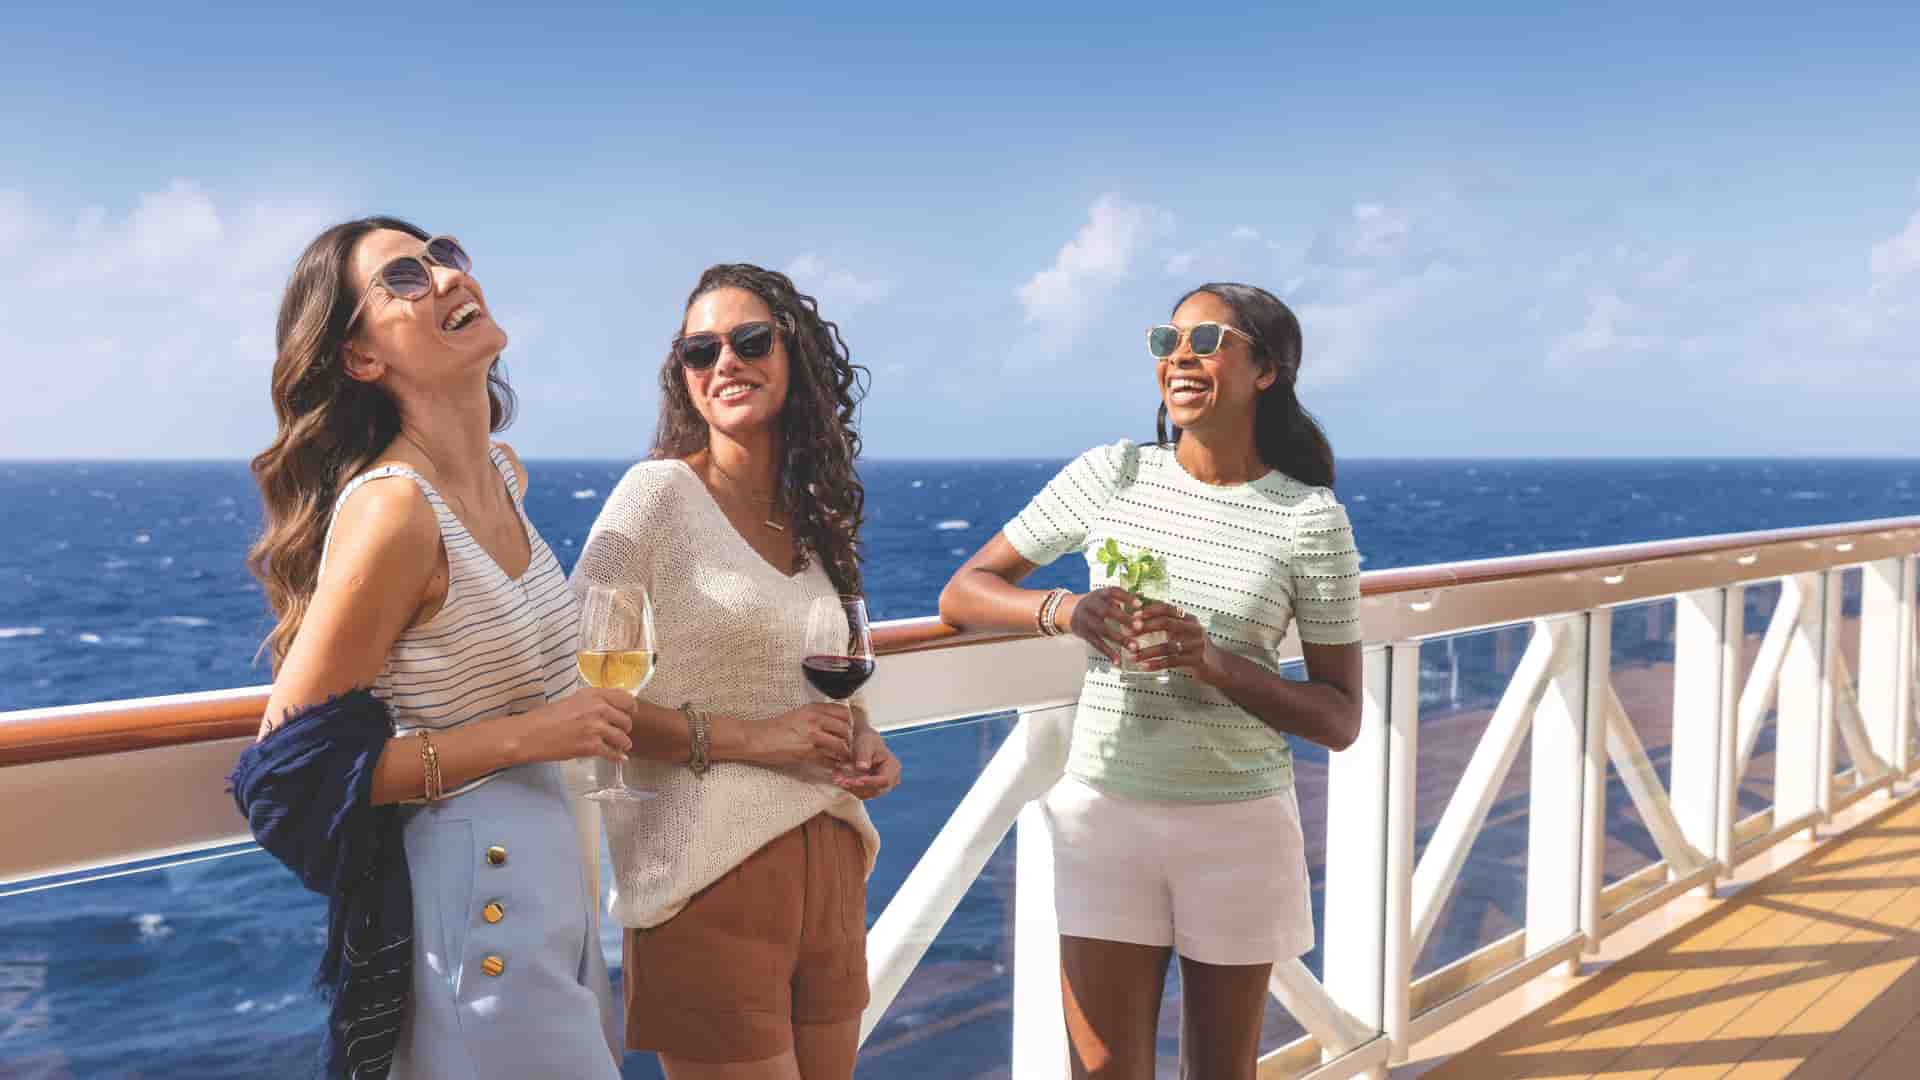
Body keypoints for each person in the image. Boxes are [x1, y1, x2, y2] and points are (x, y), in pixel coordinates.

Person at [234, 221, 850, 1079]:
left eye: (445, 256)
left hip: (552, 889)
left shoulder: (500, 472)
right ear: (360, 359)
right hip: (474, 905)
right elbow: (284, 776)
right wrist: (541, 734)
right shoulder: (394, 512)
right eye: (405, 278)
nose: (449, 278)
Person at [938, 283, 1364, 1079]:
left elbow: (1340, 719)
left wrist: (1212, 662)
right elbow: (963, 590)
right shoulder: (1114, 472)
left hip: (1238, 829)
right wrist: (1066, 610)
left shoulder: (1309, 518)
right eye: (1168, 339)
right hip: (1105, 816)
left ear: (1266, 368)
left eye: (1207, 339)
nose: (1180, 355)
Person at [572, 263, 901, 1080]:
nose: (726, 361)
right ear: (682, 376)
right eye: (700, 349)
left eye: (751, 340)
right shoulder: (655, 497)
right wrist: (757, 739)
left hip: (829, 858)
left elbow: (807, 678)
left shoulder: (817, 514)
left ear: (797, 357)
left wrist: (867, 739)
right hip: (706, 873)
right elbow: (579, 688)